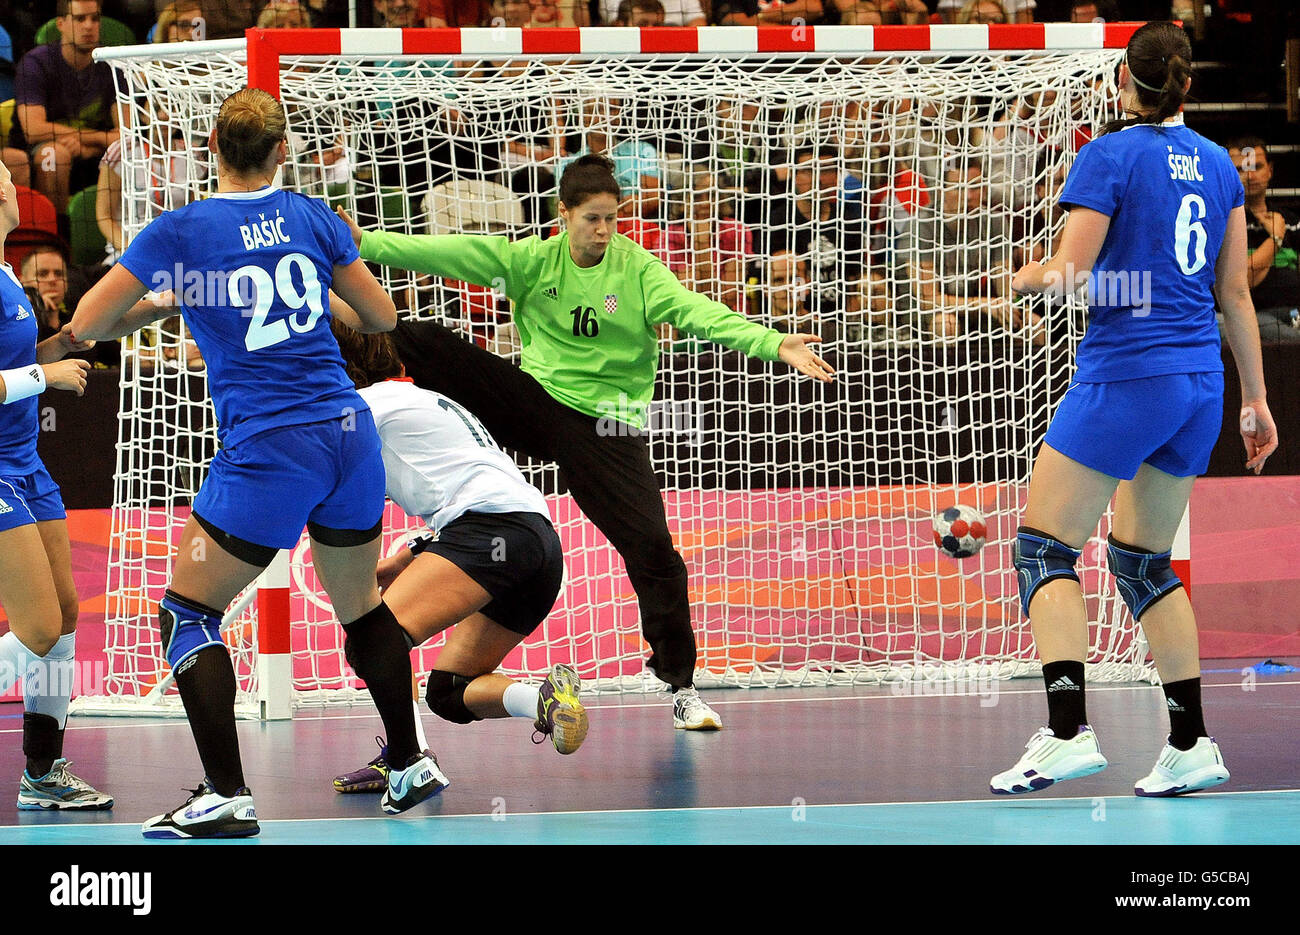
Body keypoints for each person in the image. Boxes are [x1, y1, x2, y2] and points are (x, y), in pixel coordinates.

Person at [336, 154, 833, 730]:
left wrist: (773, 343)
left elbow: (698, 314)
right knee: (418, 336)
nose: (603, 230)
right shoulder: (531, 262)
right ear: (563, 213)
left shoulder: (639, 273)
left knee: (654, 554)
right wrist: (362, 243)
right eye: (592, 218)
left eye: (612, 219)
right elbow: (451, 253)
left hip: (607, 427)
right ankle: (333, 378)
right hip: (536, 406)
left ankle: (681, 686)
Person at [70, 87, 446, 838]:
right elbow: (380, 318)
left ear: (212, 145)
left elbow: (86, 322)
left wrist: (176, 300)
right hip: (348, 433)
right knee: (362, 609)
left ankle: (227, 793)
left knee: (187, 612)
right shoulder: (312, 215)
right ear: (282, 150)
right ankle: (409, 763)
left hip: (271, 447)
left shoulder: (181, 228)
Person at [991, 21, 1278, 797]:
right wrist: (1256, 398)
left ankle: (1065, 732)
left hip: (1128, 376)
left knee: (1045, 547)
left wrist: (1021, 278)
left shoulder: (1109, 154)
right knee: (1143, 560)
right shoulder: (1219, 166)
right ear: (1186, 84)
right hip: (1200, 384)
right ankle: (1190, 743)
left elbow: (1069, 276)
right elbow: (1236, 292)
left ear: (1125, 78)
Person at [325, 322, 587, 793]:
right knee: (448, 692)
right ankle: (545, 700)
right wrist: (407, 555)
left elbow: (318, 473)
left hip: (490, 534)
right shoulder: (427, 400)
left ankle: (407, 761)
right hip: (538, 545)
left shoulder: (364, 407)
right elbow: (465, 491)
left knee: (373, 639)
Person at [0, 158, 111, 810]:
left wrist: (60, 351)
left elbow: (22, 360)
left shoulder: (10, 278)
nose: (10, 186)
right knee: (38, 627)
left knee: (65, 615)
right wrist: (48, 378)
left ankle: (41, 772)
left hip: (27, 464)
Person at [12, 0, 120, 216]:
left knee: (131, 153)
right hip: (42, 153)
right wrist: (96, 137)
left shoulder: (113, 64)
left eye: (94, 19)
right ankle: (57, 234)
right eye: (80, 19)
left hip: (98, 154)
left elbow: (126, 134)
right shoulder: (36, 63)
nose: (88, 26)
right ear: (61, 24)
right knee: (54, 155)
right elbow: (33, 130)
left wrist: (86, 145)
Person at [1226, 137, 1300, 342]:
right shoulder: (1224, 223)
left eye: (1256, 166)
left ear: (1270, 170)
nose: (1249, 176)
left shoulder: (1292, 221)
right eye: (1240, 169)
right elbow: (1242, 281)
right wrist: (1275, 238)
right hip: (1253, 318)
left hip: (1295, 314)